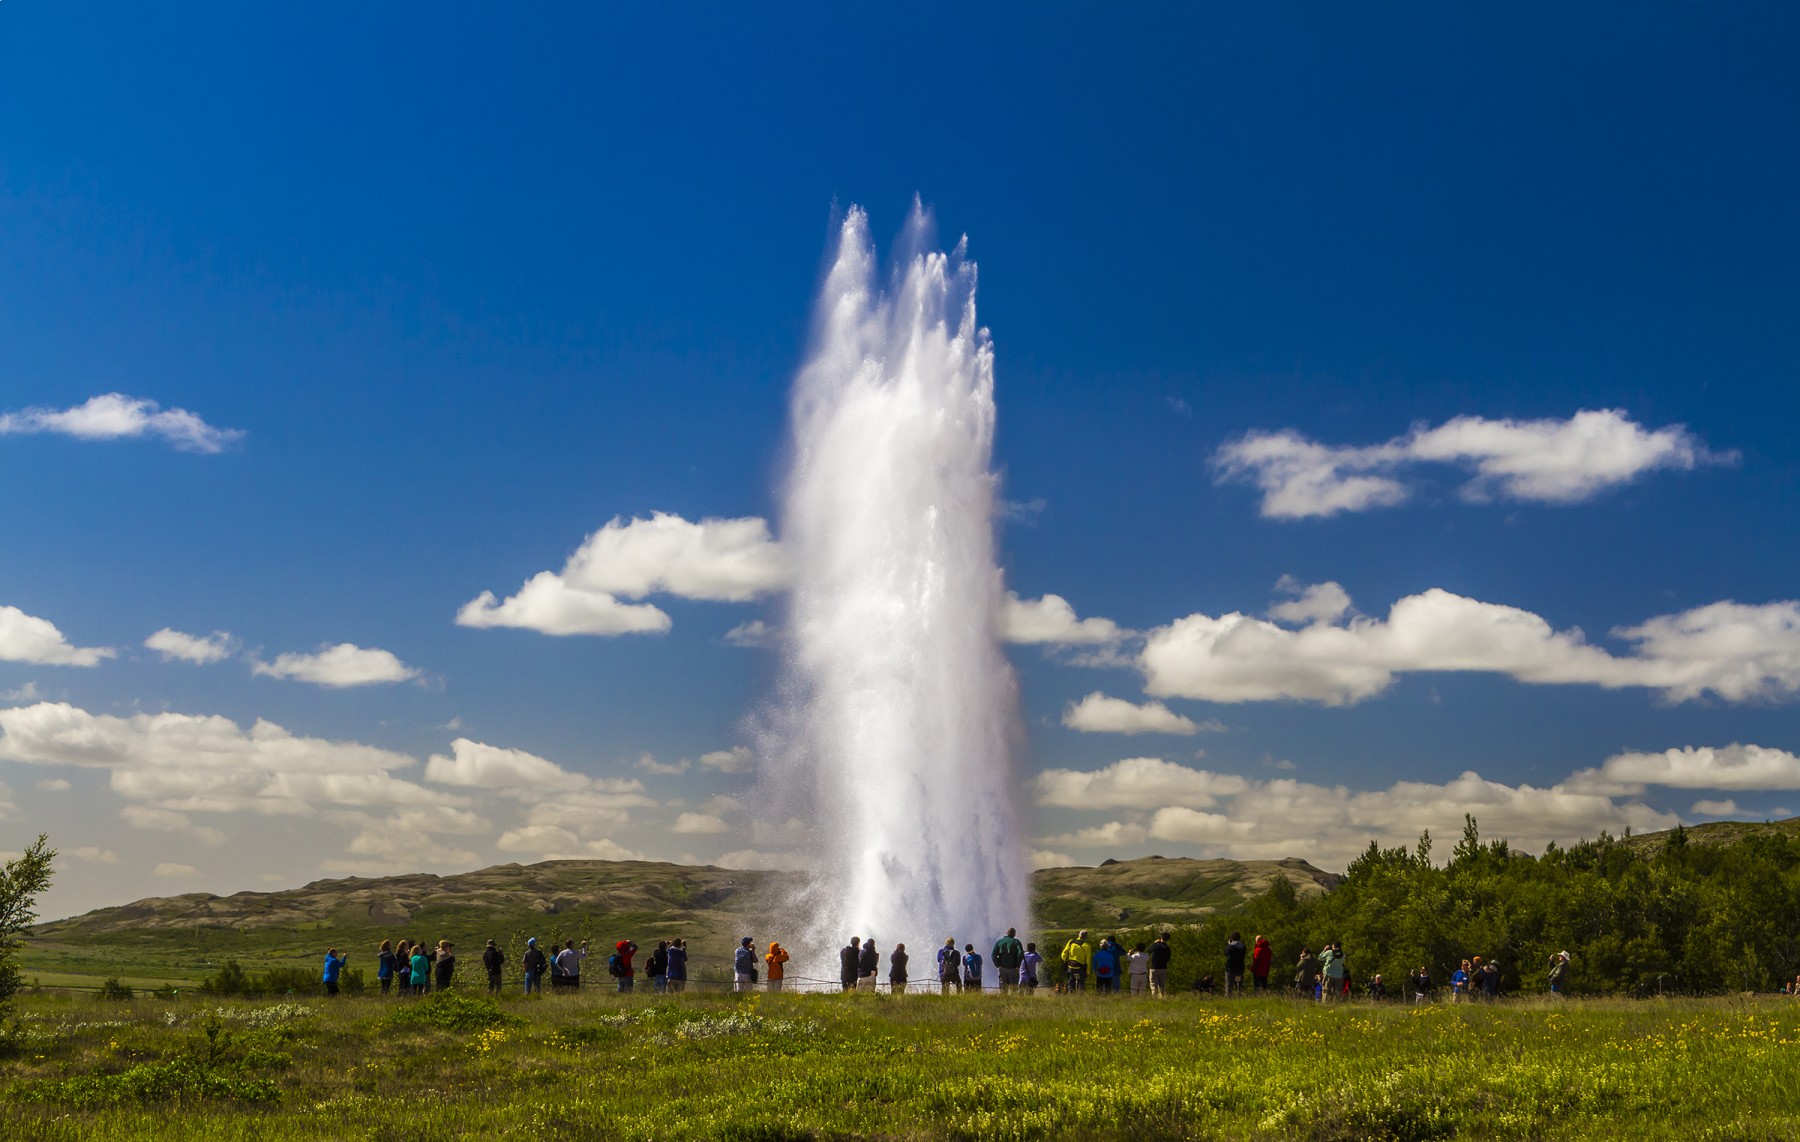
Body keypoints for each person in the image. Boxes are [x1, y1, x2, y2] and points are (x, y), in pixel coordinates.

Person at [1148, 933, 1172, 998]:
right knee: (1162, 985)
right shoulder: (1167, 948)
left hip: (1154, 967)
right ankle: (1162, 996)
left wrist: (1155, 943)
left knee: (1153, 984)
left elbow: (1149, 950)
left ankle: (1154, 997)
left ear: (1161, 938)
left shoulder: (1156, 946)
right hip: (1163, 968)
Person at [1223, 932, 1246, 997]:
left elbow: (1225, 953)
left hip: (1230, 970)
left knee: (1229, 985)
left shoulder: (1230, 947)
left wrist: (1229, 944)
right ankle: (1239, 996)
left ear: (1231, 938)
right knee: (1238, 985)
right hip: (1239, 969)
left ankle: (1228, 997)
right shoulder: (1242, 946)